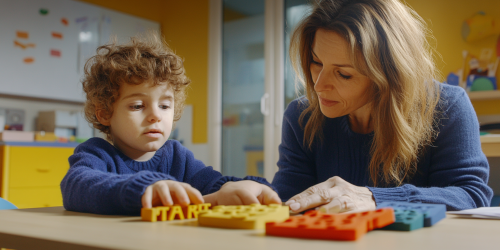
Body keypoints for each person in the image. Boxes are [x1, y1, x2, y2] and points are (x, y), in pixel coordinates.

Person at [272, 0, 493, 213]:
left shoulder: (447, 106)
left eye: (344, 74)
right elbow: (288, 201)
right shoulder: (300, 116)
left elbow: (471, 195)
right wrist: (248, 188)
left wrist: (376, 198)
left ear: (389, 75)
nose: (318, 85)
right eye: (316, 62)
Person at [61, 32, 280, 215]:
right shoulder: (97, 153)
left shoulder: (177, 156)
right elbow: (76, 186)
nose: (155, 116)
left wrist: (243, 187)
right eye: (137, 106)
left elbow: (214, 185)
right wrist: (146, 187)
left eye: (165, 106)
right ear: (105, 114)